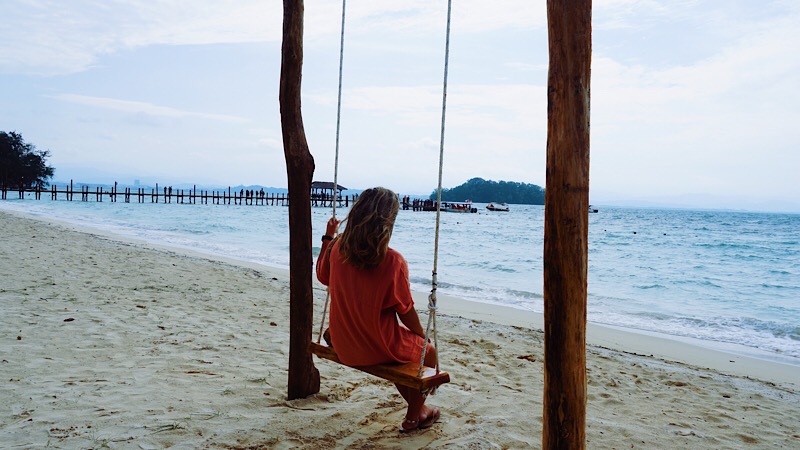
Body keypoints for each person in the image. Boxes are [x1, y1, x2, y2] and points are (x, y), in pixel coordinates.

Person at [316, 187, 441, 432]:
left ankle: (420, 411)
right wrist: (421, 335)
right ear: (388, 222)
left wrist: (328, 237)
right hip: (377, 347)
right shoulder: (392, 261)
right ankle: (414, 417)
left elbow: (322, 275)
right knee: (430, 353)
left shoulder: (337, 247)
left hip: (345, 344)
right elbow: (405, 310)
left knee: (403, 361)